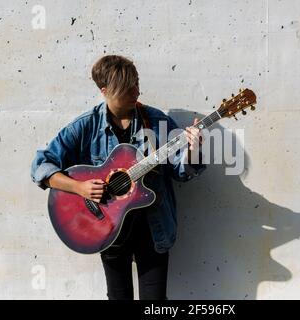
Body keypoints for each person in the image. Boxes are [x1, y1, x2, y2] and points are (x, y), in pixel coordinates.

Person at [30, 55, 206, 300]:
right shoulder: (87, 125)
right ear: (104, 91)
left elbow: (181, 172)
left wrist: (192, 149)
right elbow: (41, 165)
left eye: (136, 83)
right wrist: (80, 187)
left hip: (153, 229)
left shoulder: (156, 122)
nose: (136, 91)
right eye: (127, 88)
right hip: (106, 227)